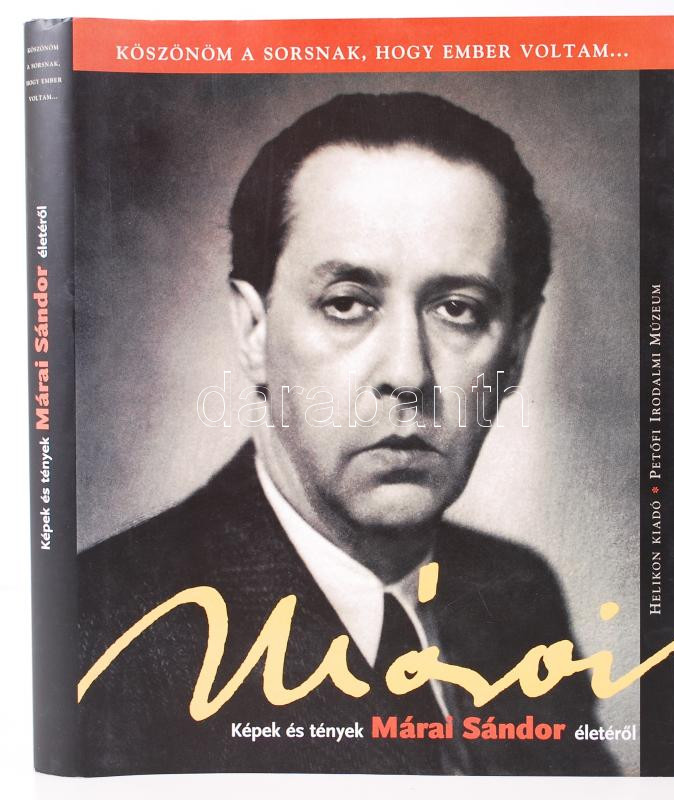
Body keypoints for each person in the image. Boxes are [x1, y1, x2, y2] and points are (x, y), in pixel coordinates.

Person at [77, 93, 619, 776]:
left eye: (458, 309)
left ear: (516, 349)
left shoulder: (517, 596)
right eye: (347, 304)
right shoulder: (100, 629)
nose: (407, 374)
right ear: (254, 330)